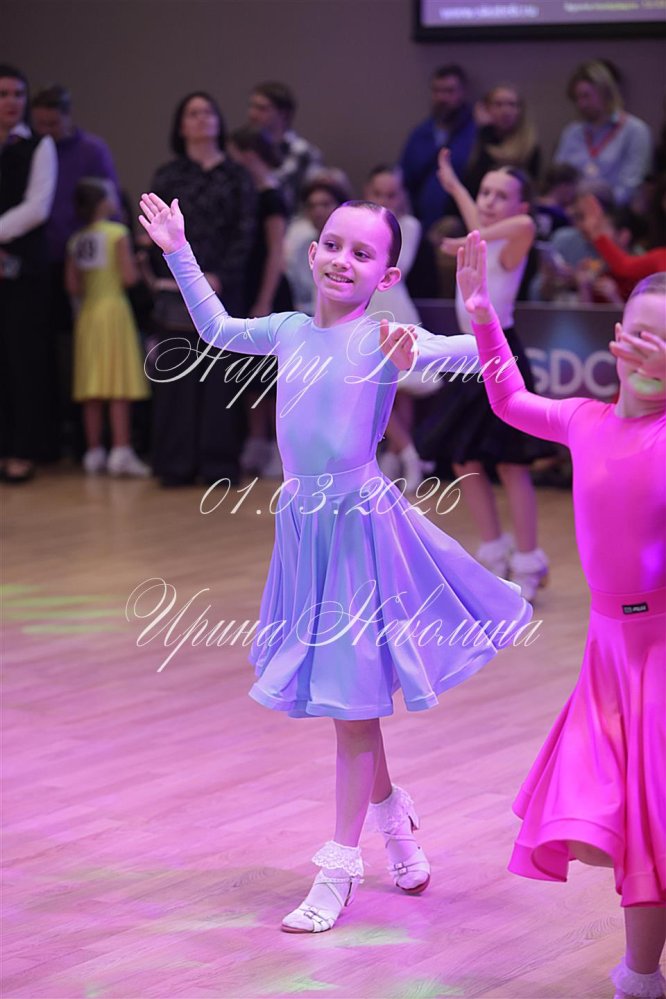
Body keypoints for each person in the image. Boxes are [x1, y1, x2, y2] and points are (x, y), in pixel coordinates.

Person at [139, 190, 533, 935]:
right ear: (312, 251)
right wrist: (179, 250)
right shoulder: (289, 330)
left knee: (352, 710)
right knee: (349, 705)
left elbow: (486, 359)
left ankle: (338, 868)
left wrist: (478, 315)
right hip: (305, 536)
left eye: (363, 253)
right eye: (332, 244)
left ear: (388, 275)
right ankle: (394, 820)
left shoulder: (383, 336)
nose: (342, 260)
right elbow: (216, 328)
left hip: (360, 536)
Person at [458, 231, 665, 999]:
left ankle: (639, 973)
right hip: (607, 652)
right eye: (638, 333)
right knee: (631, 818)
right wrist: (484, 317)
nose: (645, 351)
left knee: (653, 819)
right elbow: (509, 400)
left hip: (661, 652)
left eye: (663, 341)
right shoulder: (585, 420)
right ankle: (641, 973)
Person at [421, 150, 548, 600]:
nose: (489, 201)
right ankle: (494, 554)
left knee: (511, 463)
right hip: (467, 354)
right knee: (463, 458)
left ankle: (528, 562)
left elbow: (523, 224)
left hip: (500, 354)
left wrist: (464, 237)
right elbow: (479, 220)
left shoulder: (515, 237)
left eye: (501, 195)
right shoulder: (482, 238)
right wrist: (455, 185)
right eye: (485, 193)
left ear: (520, 205)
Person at [144, 91, 256, 487]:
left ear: (219, 121)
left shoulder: (237, 176)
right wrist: (179, 273)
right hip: (176, 287)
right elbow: (156, 229)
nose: (202, 118)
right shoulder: (168, 176)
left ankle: (219, 465)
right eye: (193, 113)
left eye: (208, 112)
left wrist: (219, 275)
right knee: (177, 374)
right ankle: (174, 464)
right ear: (180, 125)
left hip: (223, 288)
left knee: (220, 377)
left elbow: (246, 232)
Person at [65, 179, 149, 476]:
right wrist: (139, 264)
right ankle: (121, 450)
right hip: (114, 311)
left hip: (88, 314)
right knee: (118, 383)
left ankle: (93, 451)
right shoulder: (117, 233)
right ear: (102, 202)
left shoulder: (76, 240)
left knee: (92, 385)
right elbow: (129, 278)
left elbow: (72, 286)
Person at [0, 64, 57, 483]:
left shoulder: (39, 145)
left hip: (25, 268)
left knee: (23, 359)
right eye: (3, 94)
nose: (11, 102)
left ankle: (23, 449)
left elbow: (37, 206)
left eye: (18, 94)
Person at [364, 165, 436, 490]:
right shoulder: (359, 225)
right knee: (372, 389)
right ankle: (408, 454)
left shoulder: (409, 226)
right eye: (378, 194)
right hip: (366, 311)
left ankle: (397, 459)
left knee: (402, 389)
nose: (385, 200)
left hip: (396, 310)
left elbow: (396, 266)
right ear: (368, 193)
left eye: (392, 194)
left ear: (402, 195)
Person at [227, 124, 293, 478]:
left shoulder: (271, 195)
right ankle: (255, 441)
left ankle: (278, 448)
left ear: (249, 156)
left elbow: (275, 251)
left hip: (268, 290)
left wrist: (265, 300)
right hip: (247, 287)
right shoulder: (248, 195)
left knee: (270, 374)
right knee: (249, 371)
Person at [554, 60, 652, 207]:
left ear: (605, 93)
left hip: (616, 212)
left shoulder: (635, 131)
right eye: (577, 98)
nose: (581, 104)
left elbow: (631, 189)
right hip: (572, 210)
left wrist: (602, 196)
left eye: (586, 96)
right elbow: (558, 179)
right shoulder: (572, 133)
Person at [399, 65, 477, 233]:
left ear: (463, 92)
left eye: (449, 91)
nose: (442, 98)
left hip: (463, 226)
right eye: (437, 91)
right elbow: (404, 181)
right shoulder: (420, 134)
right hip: (422, 227)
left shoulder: (476, 134)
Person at [247, 81, 323, 217]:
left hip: (293, 225)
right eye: (252, 107)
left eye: (261, 108)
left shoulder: (304, 154)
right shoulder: (246, 151)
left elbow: (312, 201)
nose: (252, 114)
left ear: (283, 114)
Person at [466, 84, 541, 198]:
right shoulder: (475, 139)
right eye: (498, 104)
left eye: (512, 104)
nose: (506, 111)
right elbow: (472, 182)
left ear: (520, 110)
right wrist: (483, 131)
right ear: (486, 109)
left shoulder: (530, 148)